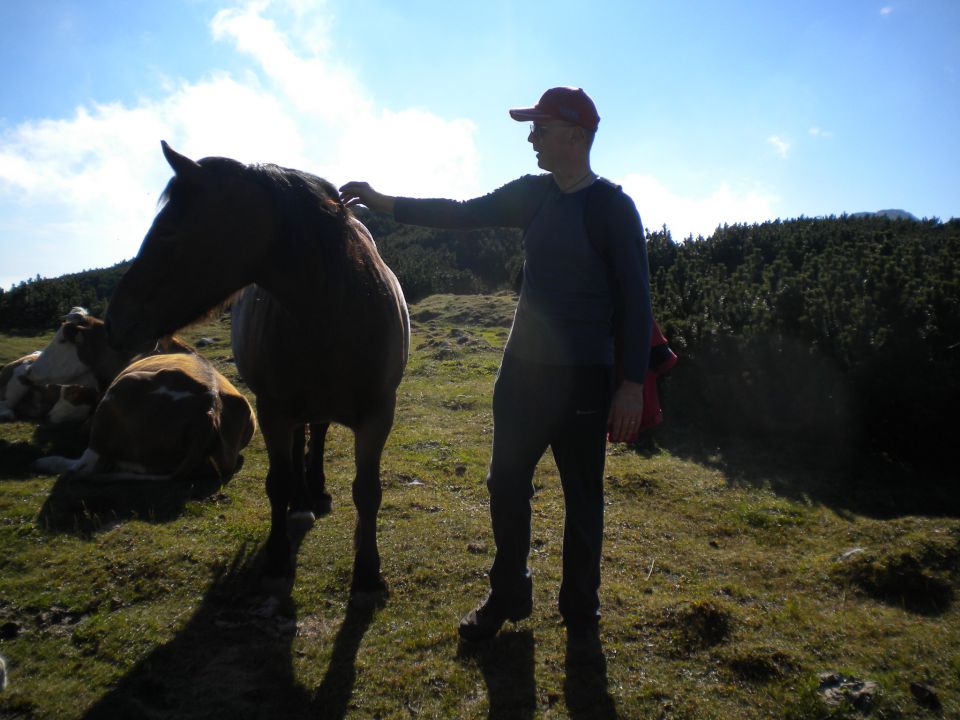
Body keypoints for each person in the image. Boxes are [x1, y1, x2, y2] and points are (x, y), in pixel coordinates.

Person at [339, 87, 652, 651]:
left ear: (576, 137)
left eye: (541, 127)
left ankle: (581, 610)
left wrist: (630, 384)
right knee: (505, 482)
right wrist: (382, 202)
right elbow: (459, 214)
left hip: (586, 375)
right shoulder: (533, 196)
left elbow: (636, 298)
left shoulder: (612, 207)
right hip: (522, 374)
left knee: (583, 496)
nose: (531, 137)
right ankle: (509, 592)